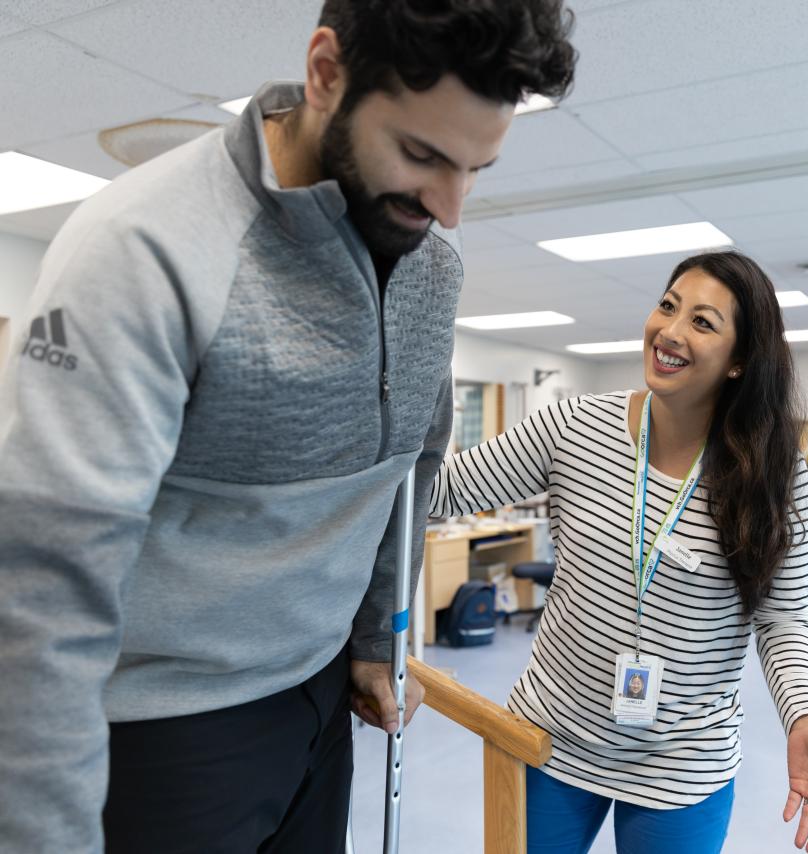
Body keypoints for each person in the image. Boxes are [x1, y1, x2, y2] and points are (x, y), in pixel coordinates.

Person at [0, 2, 575, 851]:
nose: (450, 209)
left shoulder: (429, 269)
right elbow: (45, 583)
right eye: (421, 155)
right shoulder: (145, 248)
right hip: (165, 725)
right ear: (324, 73)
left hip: (318, 697)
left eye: (476, 168)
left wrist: (376, 638)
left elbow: (409, 468)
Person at [428, 251, 808, 854]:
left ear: (740, 361)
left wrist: (807, 718)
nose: (670, 331)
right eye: (668, 306)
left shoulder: (775, 478)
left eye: (702, 322)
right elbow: (443, 492)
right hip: (551, 736)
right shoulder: (573, 426)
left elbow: (783, 617)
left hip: (684, 761)